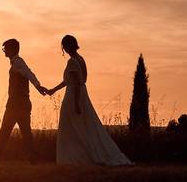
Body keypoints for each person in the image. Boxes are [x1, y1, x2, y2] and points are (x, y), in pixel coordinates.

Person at [45, 35, 132, 166]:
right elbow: (70, 80)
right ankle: (80, 154)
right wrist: (53, 90)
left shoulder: (72, 61)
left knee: (71, 126)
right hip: (80, 93)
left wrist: (76, 103)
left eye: (64, 46)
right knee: (80, 126)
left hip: (74, 95)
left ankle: (76, 157)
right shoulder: (80, 59)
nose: (64, 49)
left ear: (68, 46)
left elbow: (76, 83)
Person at [0, 38, 47, 163]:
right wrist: (38, 87)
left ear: (12, 49)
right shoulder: (17, 63)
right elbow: (30, 74)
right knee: (26, 134)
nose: (4, 51)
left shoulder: (18, 63)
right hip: (22, 103)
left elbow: (29, 74)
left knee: (5, 132)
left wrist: (38, 86)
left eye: (5, 49)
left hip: (16, 104)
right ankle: (33, 159)